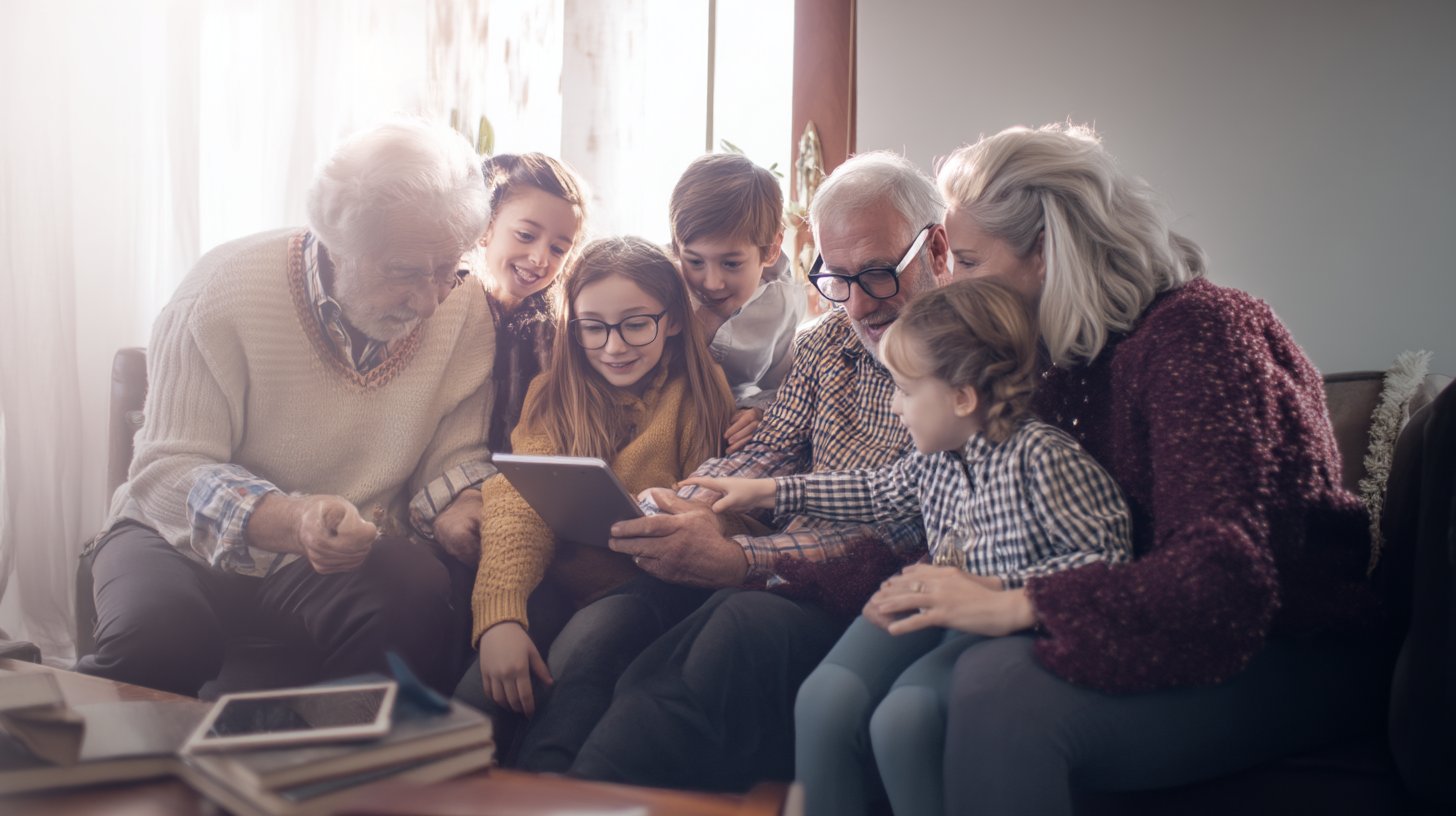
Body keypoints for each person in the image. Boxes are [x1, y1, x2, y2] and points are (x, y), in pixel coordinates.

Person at [915, 124, 1383, 815]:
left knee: (998, 692)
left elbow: (1224, 578)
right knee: (934, 682)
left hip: (1294, 646)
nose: (948, 285)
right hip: (1183, 625)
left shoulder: (1202, 334)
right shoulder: (1060, 363)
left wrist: (1024, 603)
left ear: (1045, 252)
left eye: (969, 261)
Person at [568, 151, 952, 791]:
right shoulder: (828, 340)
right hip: (788, 566)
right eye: (836, 278)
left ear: (936, 247)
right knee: (628, 643)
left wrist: (742, 557)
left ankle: (580, 799)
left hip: (866, 585)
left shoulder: (971, 358)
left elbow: (905, 519)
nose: (858, 305)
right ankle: (554, 792)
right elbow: (766, 449)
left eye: (880, 274)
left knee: (734, 632)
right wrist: (687, 501)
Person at [74, 119, 497, 697]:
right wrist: (291, 519)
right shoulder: (218, 293)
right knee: (162, 636)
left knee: (413, 590)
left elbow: (454, 450)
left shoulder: (462, 302)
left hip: (331, 557)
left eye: (447, 272)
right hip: (173, 538)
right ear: (334, 243)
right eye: (403, 274)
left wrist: (459, 502)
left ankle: (333, 773)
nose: (428, 303)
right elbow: (167, 473)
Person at [684, 276, 1132, 816]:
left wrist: (998, 590)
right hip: (935, 609)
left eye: (906, 390)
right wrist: (767, 489)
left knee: (904, 720)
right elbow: (878, 489)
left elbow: (1108, 562)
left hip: (998, 631)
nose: (895, 407)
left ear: (963, 397)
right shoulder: (939, 453)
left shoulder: (1045, 459)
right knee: (822, 700)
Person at [468, 236, 737, 772]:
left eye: (636, 323)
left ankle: (550, 789)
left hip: (647, 588)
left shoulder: (703, 397)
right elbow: (518, 507)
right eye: (593, 326)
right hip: (557, 577)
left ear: (674, 320)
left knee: (585, 655)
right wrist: (500, 617)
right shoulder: (553, 394)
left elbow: (722, 510)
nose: (614, 346)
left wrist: (697, 517)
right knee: (480, 692)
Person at [669, 153, 805, 453]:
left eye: (731, 264)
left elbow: (782, 388)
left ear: (771, 250)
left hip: (727, 434)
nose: (712, 282)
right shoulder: (661, 285)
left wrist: (759, 412)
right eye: (694, 261)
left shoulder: (782, 302)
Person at [477, 153, 588, 457]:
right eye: (526, 235)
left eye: (558, 249)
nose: (540, 259)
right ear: (487, 226)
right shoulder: (452, 305)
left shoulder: (554, 333)